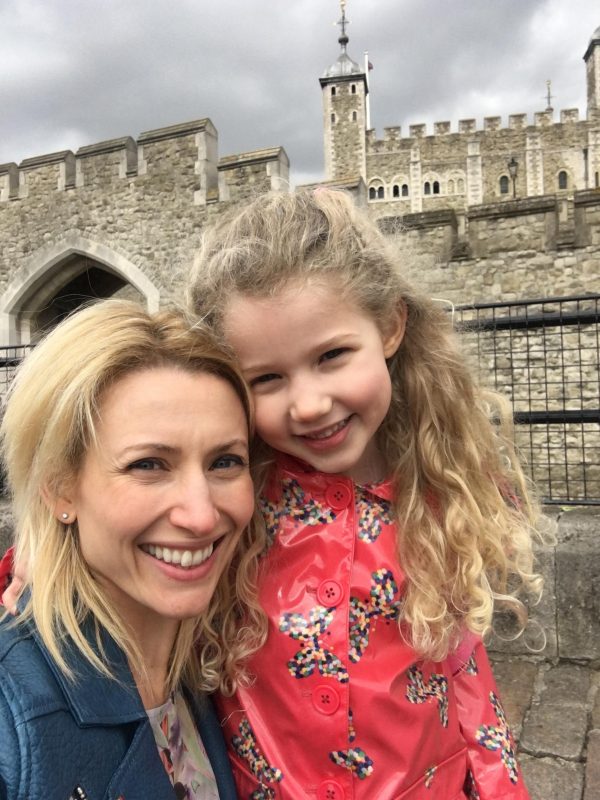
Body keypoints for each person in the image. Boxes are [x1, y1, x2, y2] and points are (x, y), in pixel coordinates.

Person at [187, 189, 542, 799]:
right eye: (266, 379)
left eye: (332, 356)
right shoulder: (228, 497)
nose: (309, 404)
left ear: (391, 326)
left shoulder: (442, 490)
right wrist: (59, 535)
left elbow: (462, 671)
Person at [0, 300, 266, 799]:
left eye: (226, 461)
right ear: (60, 489)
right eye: (148, 465)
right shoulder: (11, 717)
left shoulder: (209, 675)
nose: (202, 514)